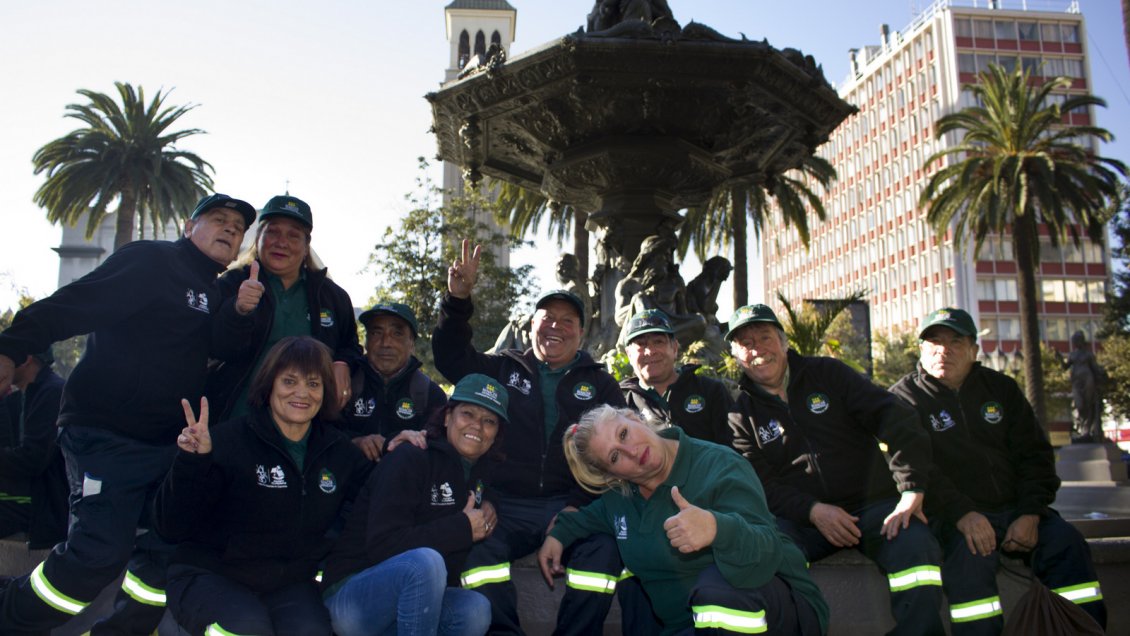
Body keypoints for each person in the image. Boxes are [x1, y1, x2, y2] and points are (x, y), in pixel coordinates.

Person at [0, 192, 254, 635]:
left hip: (165, 447)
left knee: (160, 561)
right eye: (218, 219)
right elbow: (77, 302)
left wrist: (241, 311)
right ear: (187, 227)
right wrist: (10, 347)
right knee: (95, 555)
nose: (231, 229)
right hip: (105, 435)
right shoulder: (152, 261)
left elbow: (224, 350)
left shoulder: (212, 292)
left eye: (238, 227)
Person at [432, 239, 626, 635]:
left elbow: (616, 456)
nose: (555, 325)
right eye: (546, 317)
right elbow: (452, 359)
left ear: (581, 333)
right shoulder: (503, 368)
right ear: (531, 324)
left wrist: (578, 506)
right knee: (477, 549)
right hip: (506, 504)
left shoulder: (602, 384)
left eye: (567, 320)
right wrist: (457, 300)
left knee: (604, 553)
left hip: (573, 503)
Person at [725, 304, 945, 636]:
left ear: (783, 342)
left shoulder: (829, 374)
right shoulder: (739, 413)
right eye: (746, 343)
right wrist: (813, 511)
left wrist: (911, 487)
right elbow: (761, 485)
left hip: (874, 506)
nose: (757, 349)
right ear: (737, 355)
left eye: (765, 337)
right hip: (802, 521)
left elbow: (895, 420)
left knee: (917, 547)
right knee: (767, 556)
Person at [890, 307, 1106, 633]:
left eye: (955, 342)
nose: (943, 351)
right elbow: (913, 468)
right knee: (969, 568)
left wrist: (1031, 513)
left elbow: (1036, 456)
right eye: (933, 342)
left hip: (1019, 509)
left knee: (1068, 544)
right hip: (955, 517)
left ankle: (1086, 629)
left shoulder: (1001, 389)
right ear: (921, 349)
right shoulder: (903, 398)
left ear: (974, 350)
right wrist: (963, 514)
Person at [539, 405, 828, 635]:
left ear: (634, 417)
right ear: (613, 475)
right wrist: (557, 536)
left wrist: (718, 529)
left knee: (718, 587)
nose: (631, 451)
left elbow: (766, 550)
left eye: (624, 433)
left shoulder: (720, 465)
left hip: (779, 613)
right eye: (615, 457)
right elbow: (587, 518)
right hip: (688, 627)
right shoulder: (622, 499)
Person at [154, 336, 371, 636]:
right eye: (289, 381)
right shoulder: (226, 441)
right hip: (211, 574)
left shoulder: (339, 453)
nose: (302, 393)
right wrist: (193, 462)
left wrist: (407, 448)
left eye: (313, 383)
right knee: (246, 629)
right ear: (269, 385)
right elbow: (170, 525)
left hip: (287, 583)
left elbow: (378, 499)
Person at [322, 373, 509, 636]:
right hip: (351, 599)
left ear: (497, 433)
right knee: (425, 562)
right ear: (447, 417)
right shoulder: (411, 456)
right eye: (468, 413)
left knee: (475, 610)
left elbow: (481, 490)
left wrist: (491, 503)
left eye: (489, 421)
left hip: (409, 606)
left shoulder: (477, 474)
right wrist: (462, 528)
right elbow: (383, 545)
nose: (477, 426)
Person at [208, 194, 363, 421]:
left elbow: (350, 345)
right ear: (259, 236)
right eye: (273, 231)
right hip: (237, 421)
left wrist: (342, 362)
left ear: (306, 245)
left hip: (306, 428)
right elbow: (212, 346)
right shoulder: (230, 284)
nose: (282, 242)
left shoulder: (332, 296)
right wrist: (238, 310)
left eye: (293, 235)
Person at [340, 301, 447, 461]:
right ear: (366, 341)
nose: (386, 343)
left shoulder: (431, 395)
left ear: (411, 343)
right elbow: (322, 435)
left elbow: (437, 454)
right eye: (377, 333)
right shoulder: (345, 383)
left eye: (397, 334)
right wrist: (355, 442)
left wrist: (398, 445)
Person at [620, 309, 733, 446]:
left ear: (674, 348)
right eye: (641, 344)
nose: (650, 351)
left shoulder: (711, 391)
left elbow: (734, 451)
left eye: (658, 342)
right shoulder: (622, 404)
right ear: (629, 354)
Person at [0, 347, 67, 550]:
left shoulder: (52, 392)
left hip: (45, 503)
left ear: (26, 358)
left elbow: (32, 459)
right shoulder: (19, 397)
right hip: (24, 493)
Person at [1062, 330, 1107, 443]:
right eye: (1074, 341)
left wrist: (1102, 372)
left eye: (1077, 340)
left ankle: (1087, 431)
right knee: (1079, 405)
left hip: (1087, 379)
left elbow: (1095, 367)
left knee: (1088, 403)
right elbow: (1065, 367)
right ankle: (1083, 429)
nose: (1076, 342)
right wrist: (1059, 358)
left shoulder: (1088, 354)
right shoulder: (1072, 355)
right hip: (1076, 381)